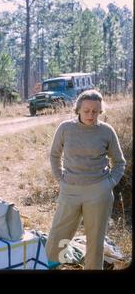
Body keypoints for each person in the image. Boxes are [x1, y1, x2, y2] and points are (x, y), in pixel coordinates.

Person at [46, 89, 126, 270]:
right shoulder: (65, 128)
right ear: (78, 110)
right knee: (58, 235)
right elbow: (54, 156)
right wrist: (60, 179)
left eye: (95, 111)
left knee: (95, 240)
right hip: (70, 190)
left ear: (100, 111)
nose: (91, 115)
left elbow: (119, 162)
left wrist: (109, 184)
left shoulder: (106, 131)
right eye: (87, 111)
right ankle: (52, 265)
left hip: (99, 192)